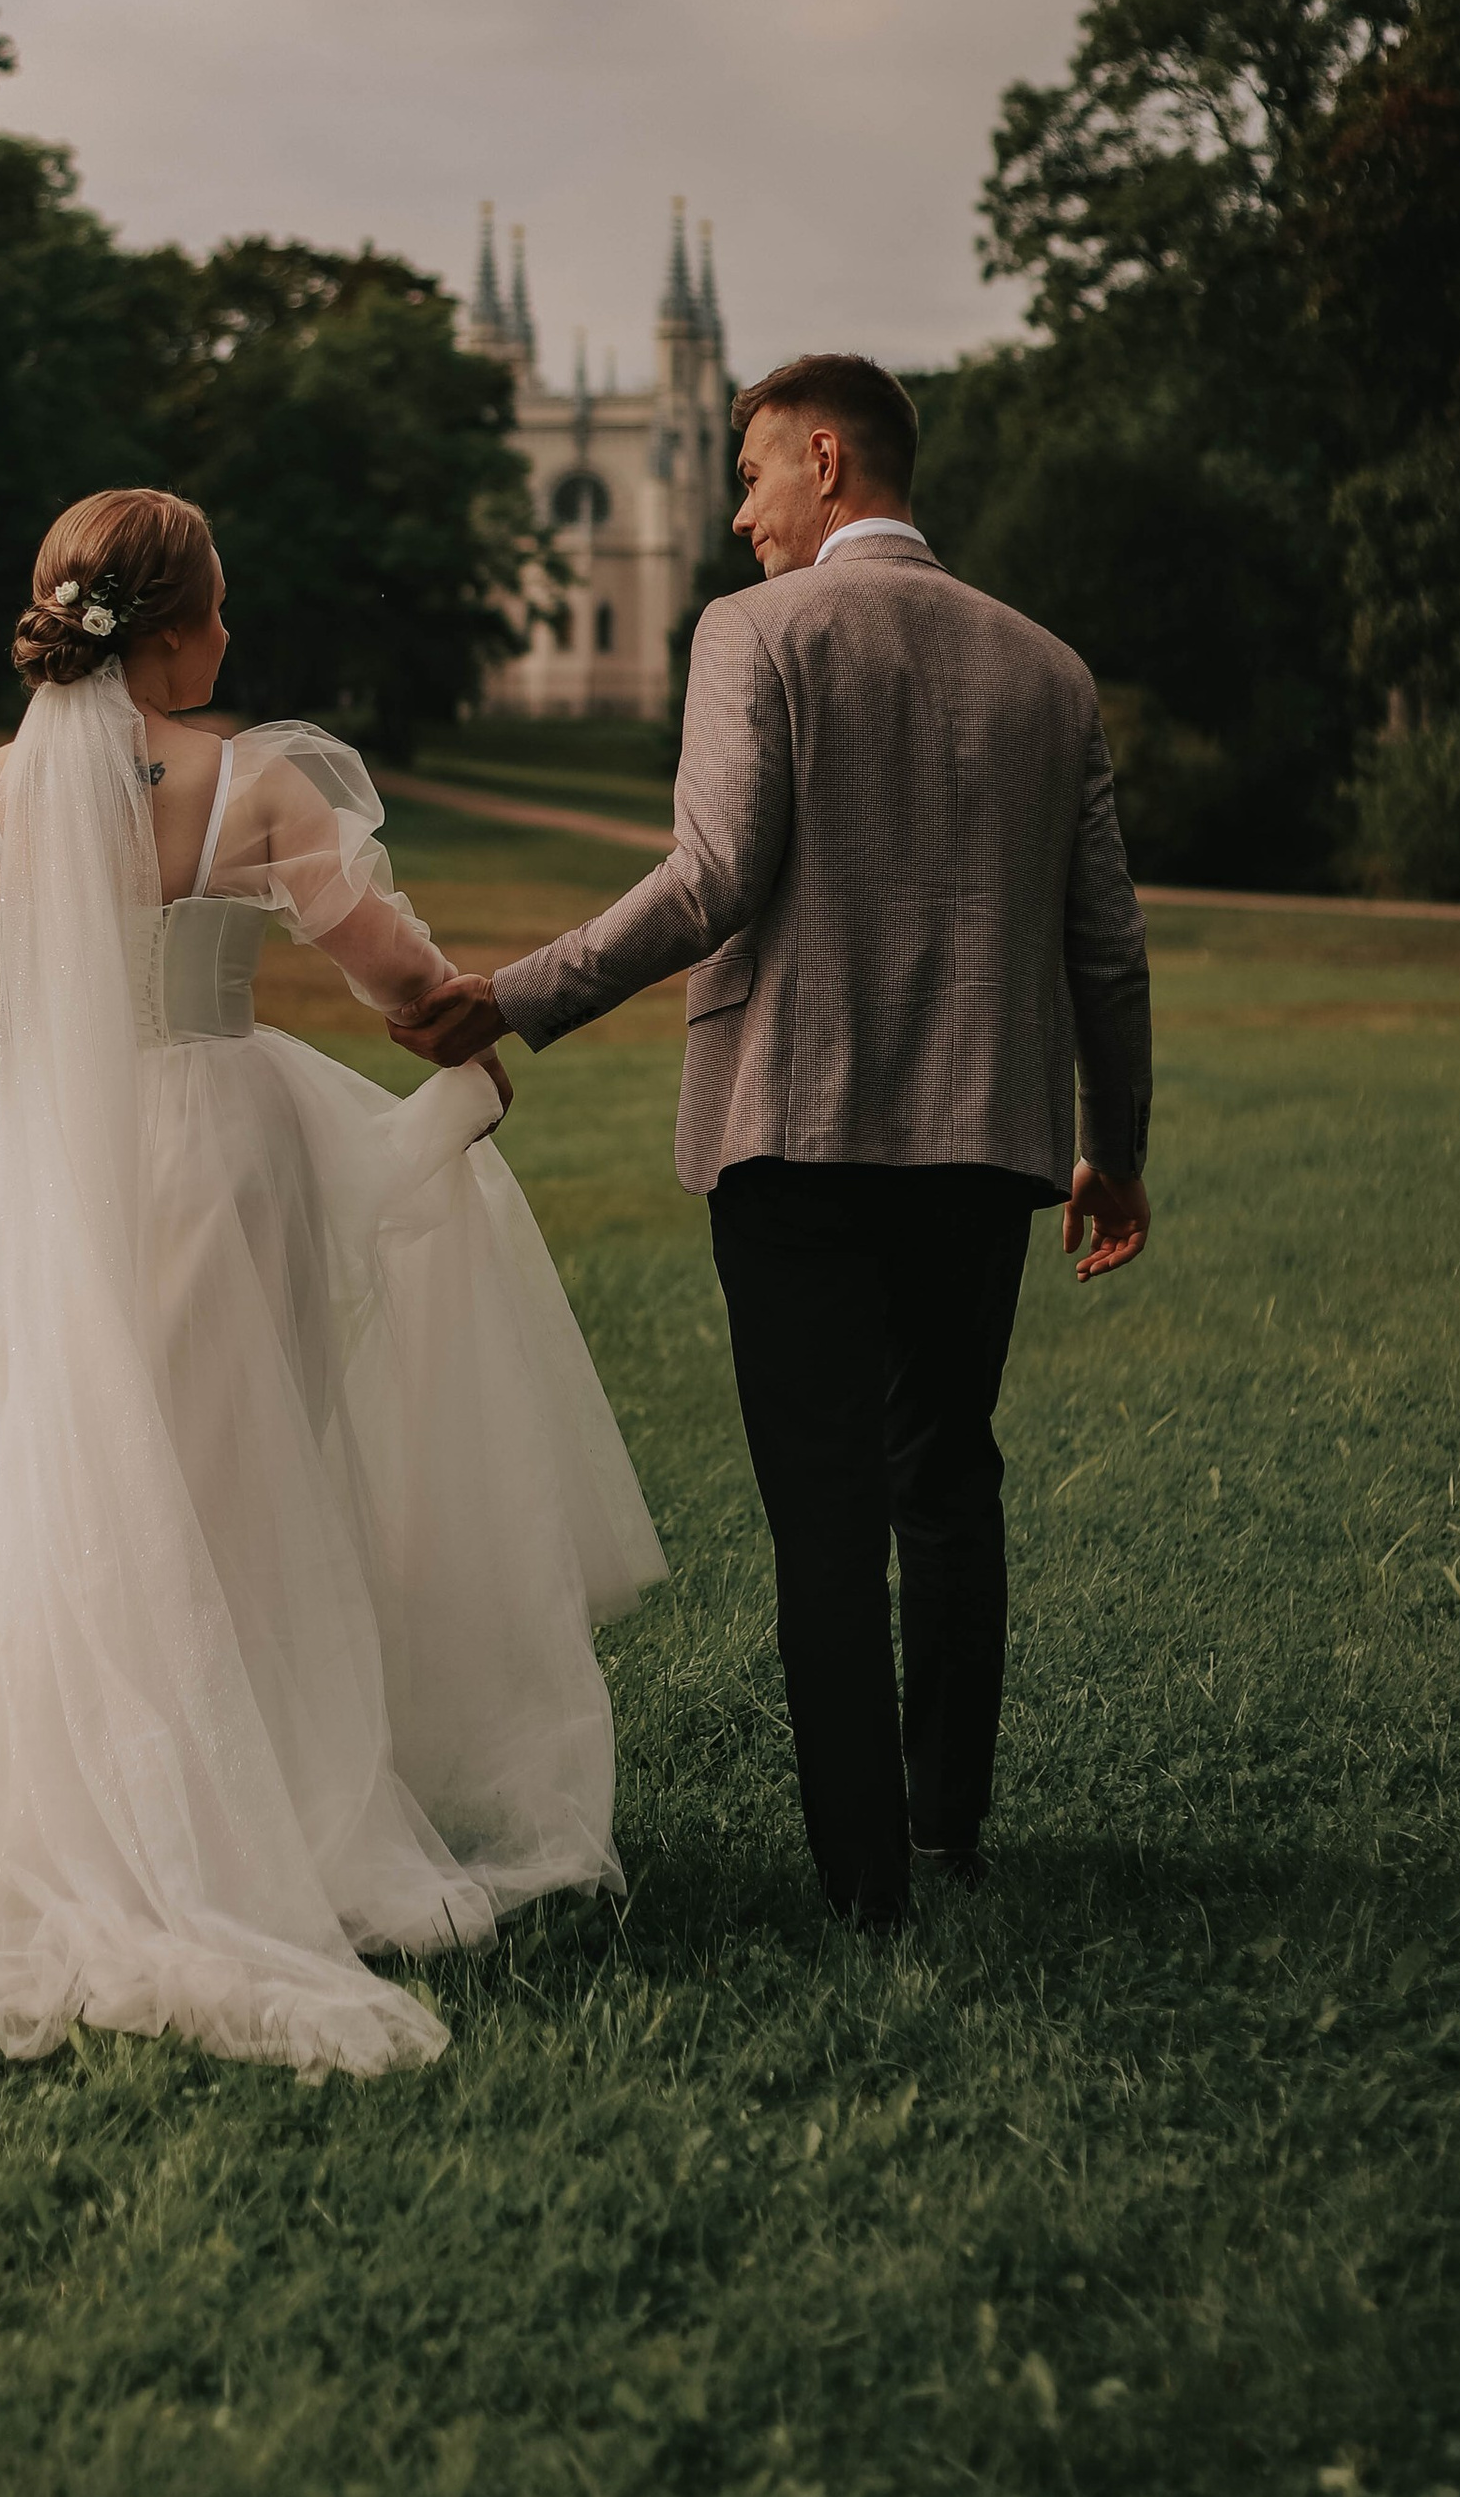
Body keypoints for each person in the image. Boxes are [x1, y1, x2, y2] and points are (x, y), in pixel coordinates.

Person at [0, 487, 662, 2078]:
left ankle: (71, 1799)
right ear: (168, 633)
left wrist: (24, 1070)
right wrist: (465, 1033)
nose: (233, 634)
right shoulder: (257, 783)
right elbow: (391, 976)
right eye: (221, 608)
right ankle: (278, 1802)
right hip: (233, 1161)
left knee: (55, 1479)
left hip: (37, 1170)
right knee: (247, 1476)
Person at [393, 355, 1152, 1933]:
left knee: (823, 1507)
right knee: (947, 1475)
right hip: (985, 1147)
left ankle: (865, 1883)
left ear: (826, 460)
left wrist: (517, 995)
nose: (738, 512)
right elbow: (1108, 951)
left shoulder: (755, 634)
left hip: (791, 1136)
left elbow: (714, 874)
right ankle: (950, 1827)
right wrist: (1114, 1152)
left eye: (751, 476)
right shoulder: (1050, 671)